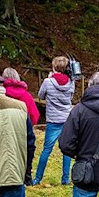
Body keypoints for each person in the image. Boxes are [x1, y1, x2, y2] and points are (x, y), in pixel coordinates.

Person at [34, 56, 76, 185]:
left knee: (47, 150)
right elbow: (71, 96)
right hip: (67, 118)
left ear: (54, 67)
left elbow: (40, 96)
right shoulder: (71, 81)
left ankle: (37, 178)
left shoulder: (48, 82)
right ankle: (65, 178)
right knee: (66, 150)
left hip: (53, 119)